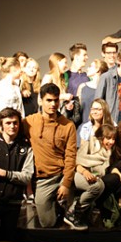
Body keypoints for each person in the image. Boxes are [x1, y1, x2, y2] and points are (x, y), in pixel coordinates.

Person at [24, 83, 77, 228]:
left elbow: (71, 156)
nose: (53, 104)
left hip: (63, 174)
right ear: (40, 101)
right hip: (43, 179)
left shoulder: (68, 125)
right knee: (47, 223)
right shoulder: (30, 122)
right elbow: (9, 128)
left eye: (56, 100)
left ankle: (70, 209)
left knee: (94, 186)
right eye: (48, 100)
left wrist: (66, 183)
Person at [0, 107, 34, 242]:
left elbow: (27, 177)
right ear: (1, 124)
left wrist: (4, 173)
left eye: (15, 123)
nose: (12, 126)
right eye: (8, 123)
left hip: (14, 205)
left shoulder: (26, 148)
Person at [70, 124, 116, 230]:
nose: (111, 142)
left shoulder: (108, 152)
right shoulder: (89, 144)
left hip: (93, 178)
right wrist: (85, 172)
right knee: (98, 185)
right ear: (101, 137)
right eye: (108, 138)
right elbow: (75, 163)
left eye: (113, 139)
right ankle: (73, 210)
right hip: (78, 174)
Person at [0, 56, 24, 128]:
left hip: (16, 124)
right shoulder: (0, 87)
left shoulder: (16, 87)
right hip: (4, 125)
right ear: (13, 69)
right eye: (19, 68)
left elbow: (20, 108)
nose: (21, 71)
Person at [77, 58, 109, 127]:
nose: (88, 69)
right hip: (84, 127)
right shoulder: (82, 87)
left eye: (90, 66)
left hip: (100, 128)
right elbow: (78, 109)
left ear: (97, 70)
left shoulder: (106, 89)